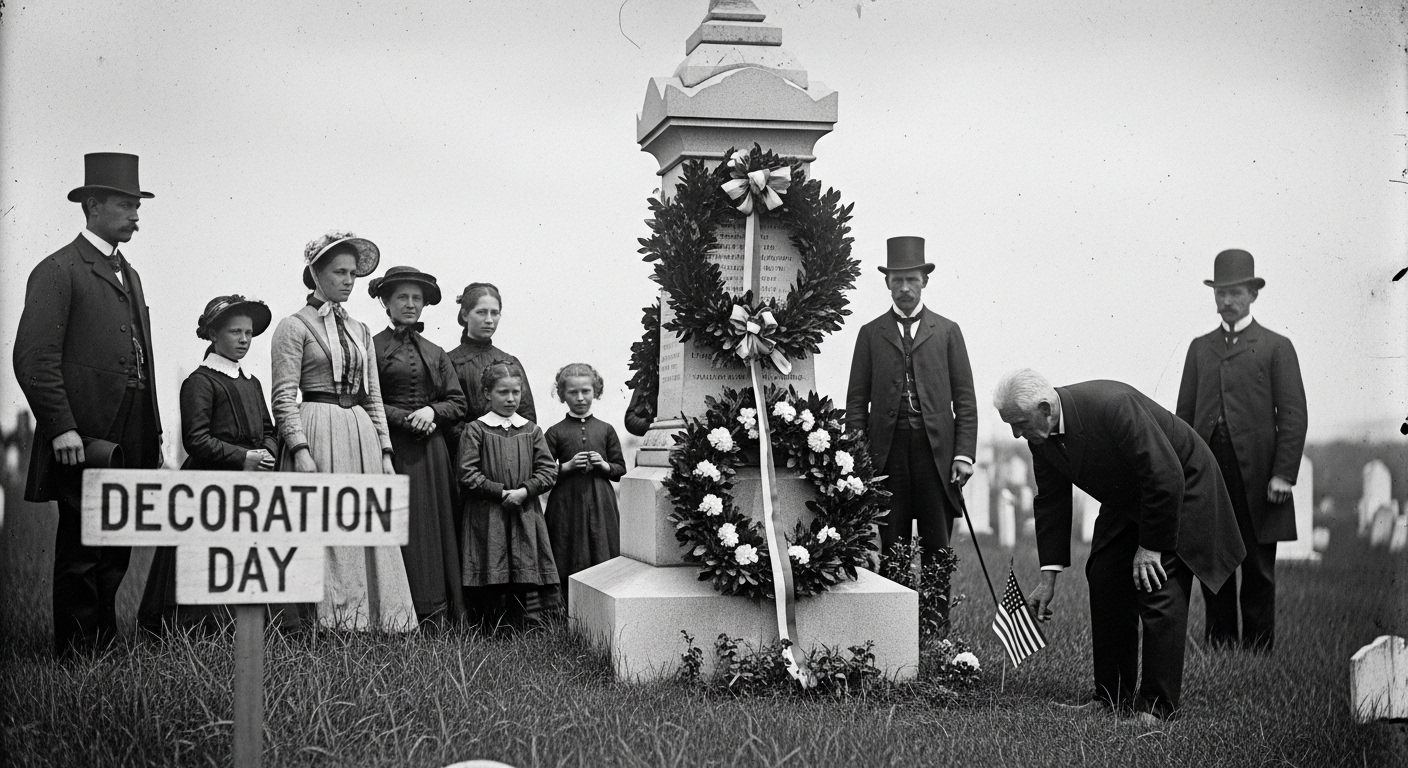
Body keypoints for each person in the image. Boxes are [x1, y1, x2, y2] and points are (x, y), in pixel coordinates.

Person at [994, 369, 1245, 724]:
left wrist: (1152, 547)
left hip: (1180, 488)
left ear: (1045, 408)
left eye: (1019, 423)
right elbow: (1051, 501)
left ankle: (1156, 708)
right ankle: (1111, 698)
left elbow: (1165, 474)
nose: (1016, 434)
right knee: (1104, 574)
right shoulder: (1042, 437)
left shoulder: (1112, 406)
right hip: (1132, 496)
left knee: (1157, 583)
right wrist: (1048, 578)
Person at [13, 152, 164, 658]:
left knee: (116, 542)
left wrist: (156, 434)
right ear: (92, 206)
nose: (136, 214)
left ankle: (105, 646)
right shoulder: (58, 270)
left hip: (132, 430)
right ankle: (78, 657)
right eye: (126, 204)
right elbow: (34, 359)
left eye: (138, 204)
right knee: (81, 543)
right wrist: (61, 427)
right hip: (85, 432)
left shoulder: (132, 274)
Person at [270, 231, 416, 632]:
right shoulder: (293, 326)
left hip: (360, 433)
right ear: (316, 273)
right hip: (317, 426)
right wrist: (299, 449)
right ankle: (323, 622)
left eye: (353, 273)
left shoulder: (361, 330)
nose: (349, 280)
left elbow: (373, 396)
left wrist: (385, 451)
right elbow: (283, 396)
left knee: (364, 522)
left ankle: (374, 620)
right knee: (323, 525)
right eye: (339, 272)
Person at [1175, 249, 1307, 652]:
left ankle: (1258, 650)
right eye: (1220, 293)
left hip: (1260, 477)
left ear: (1252, 294)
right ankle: (1220, 646)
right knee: (1214, 562)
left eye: (1235, 292)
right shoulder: (1200, 348)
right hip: (1209, 474)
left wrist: (1283, 473)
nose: (1227, 301)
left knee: (1258, 567)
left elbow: (1295, 414)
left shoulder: (1275, 346)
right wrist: (1183, 471)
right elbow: (1182, 416)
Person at [845, 236, 977, 623]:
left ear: (925, 281)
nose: (905, 288)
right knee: (894, 548)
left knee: (938, 548)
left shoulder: (948, 331)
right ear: (887, 283)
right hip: (886, 457)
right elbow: (856, 403)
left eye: (912, 280)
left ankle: (936, 635)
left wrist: (963, 455)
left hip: (936, 457)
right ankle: (896, 634)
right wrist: (858, 460)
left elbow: (965, 401)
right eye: (898, 280)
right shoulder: (870, 334)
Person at [138, 295, 278, 634]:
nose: (244, 340)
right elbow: (196, 439)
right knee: (207, 559)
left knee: (247, 560)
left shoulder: (252, 382)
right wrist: (243, 457)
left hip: (251, 481)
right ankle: (201, 631)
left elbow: (269, 428)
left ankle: (248, 629)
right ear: (213, 334)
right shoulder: (200, 381)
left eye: (248, 333)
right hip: (211, 483)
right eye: (235, 332)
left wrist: (267, 453)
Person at [369, 266, 468, 627]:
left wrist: (431, 410)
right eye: (402, 298)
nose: (410, 305)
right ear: (386, 302)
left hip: (431, 452)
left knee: (432, 528)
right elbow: (365, 396)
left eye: (417, 298)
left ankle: (435, 614)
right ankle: (394, 613)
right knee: (397, 525)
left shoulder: (435, 351)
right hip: (389, 447)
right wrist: (402, 418)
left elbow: (458, 403)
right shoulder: (370, 345)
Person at [458, 360, 559, 631]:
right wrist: (501, 492)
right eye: (503, 392)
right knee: (491, 565)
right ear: (487, 394)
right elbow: (467, 473)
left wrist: (525, 491)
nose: (511, 398)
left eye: (516, 392)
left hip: (524, 512)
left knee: (523, 568)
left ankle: (522, 626)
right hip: (487, 513)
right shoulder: (476, 429)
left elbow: (548, 470)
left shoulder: (531, 430)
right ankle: (489, 628)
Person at [543, 364, 626, 603]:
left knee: (602, 547)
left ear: (596, 392)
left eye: (586, 391)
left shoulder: (606, 429)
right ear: (562, 395)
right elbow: (542, 473)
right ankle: (565, 608)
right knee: (566, 548)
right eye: (572, 392)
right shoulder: (555, 432)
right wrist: (565, 467)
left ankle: (602, 605)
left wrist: (604, 465)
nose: (580, 398)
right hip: (566, 502)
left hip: (601, 501)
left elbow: (620, 470)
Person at [448, 283, 537, 440]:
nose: (489, 320)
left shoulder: (511, 362)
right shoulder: (451, 361)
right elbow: (450, 418)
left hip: (511, 449)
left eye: (494, 313)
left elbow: (527, 415)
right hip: (468, 453)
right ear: (465, 315)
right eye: (481, 312)